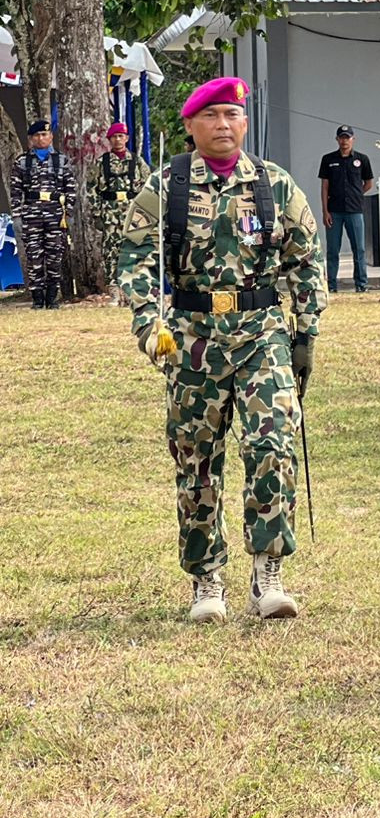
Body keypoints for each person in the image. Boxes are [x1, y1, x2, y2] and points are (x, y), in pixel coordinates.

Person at [115, 77, 324, 624]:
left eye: (233, 115)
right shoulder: (167, 187)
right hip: (191, 336)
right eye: (211, 117)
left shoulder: (275, 186)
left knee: (273, 444)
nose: (223, 125)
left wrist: (304, 334)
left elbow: (305, 262)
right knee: (197, 460)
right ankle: (207, 580)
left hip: (262, 332)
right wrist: (147, 324)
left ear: (245, 122)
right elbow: (135, 262)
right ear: (190, 126)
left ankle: (267, 572)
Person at [9, 119, 75, 309]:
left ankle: (52, 297)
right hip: (31, 215)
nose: (41, 138)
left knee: (55, 255)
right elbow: (15, 191)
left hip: (55, 214)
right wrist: (17, 216)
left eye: (45, 134)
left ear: (51, 137)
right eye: (37, 135)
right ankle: (38, 299)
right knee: (34, 257)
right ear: (31, 139)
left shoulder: (61, 160)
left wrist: (68, 212)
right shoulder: (22, 162)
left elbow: (70, 188)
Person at [87, 122, 150, 295]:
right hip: (110, 213)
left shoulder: (137, 162)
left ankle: (132, 285)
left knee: (134, 247)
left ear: (127, 138)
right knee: (111, 250)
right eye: (114, 137)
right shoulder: (102, 162)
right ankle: (113, 287)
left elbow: (149, 188)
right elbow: (92, 189)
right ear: (109, 140)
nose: (118, 139)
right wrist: (96, 214)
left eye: (121, 136)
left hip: (133, 213)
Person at [317, 125, 375, 293]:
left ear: (353, 139)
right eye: (342, 137)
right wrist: (325, 211)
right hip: (334, 210)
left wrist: (357, 194)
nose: (345, 141)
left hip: (355, 210)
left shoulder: (362, 159)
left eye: (347, 137)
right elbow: (325, 187)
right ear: (337, 139)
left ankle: (361, 284)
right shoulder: (328, 159)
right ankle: (332, 285)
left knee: (359, 248)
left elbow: (368, 183)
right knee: (333, 249)